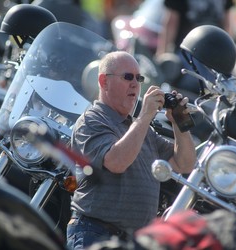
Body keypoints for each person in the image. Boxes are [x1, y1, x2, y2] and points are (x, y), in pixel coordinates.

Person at [67, 51, 196, 249]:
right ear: (104, 82)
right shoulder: (92, 120)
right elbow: (116, 162)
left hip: (134, 242)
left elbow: (184, 164)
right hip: (96, 234)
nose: (135, 84)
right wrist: (145, 116)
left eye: (139, 78)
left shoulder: (142, 130)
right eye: (128, 77)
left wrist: (179, 124)